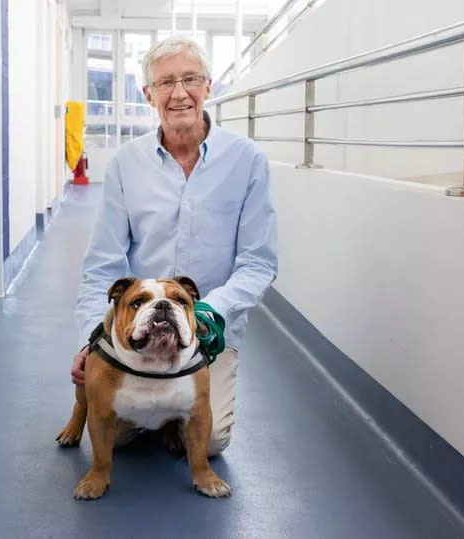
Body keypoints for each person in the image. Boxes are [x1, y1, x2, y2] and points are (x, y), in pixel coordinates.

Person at [72, 36, 278, 455]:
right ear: (148, 95)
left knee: (210, 442)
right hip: (138, 332)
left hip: (209, 332)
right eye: (165, 83)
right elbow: (102, 265)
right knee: (117, 435)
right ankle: (158, 412)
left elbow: (258, 262)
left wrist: (209, 310)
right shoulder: (126, 164)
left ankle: (169, 416)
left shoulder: (248, 160)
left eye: (190, 79)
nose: (179, 93)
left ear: (209, 86)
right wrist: (93, 339)